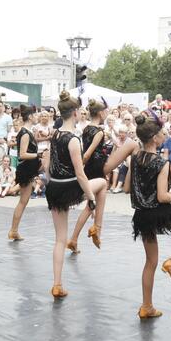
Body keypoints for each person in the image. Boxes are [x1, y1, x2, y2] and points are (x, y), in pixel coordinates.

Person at [104, 111, 171, 318]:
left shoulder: (135, 158)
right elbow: (162, 196)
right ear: (154, 139)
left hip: (141, 215)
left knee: (150, 262)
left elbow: (126, 190)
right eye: (162, 134)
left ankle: (146, 306)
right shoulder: (161, 163)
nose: (165, 136)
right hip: (160, 212)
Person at [44, 90, 107, 299]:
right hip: (71, 187)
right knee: (102, 184)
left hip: (54, 187)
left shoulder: (55, 135)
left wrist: (49, 181)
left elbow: (48, 165)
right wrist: (90, 197)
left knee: (59, 239)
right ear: (75, 113)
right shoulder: (73, 139)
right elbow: (80, 174)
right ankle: (97, 223)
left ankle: (57, 284)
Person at [67, 98, 108, 253]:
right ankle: (94, 230)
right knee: (91, 205)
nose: (106, 113)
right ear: (100, 113)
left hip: (92, 167)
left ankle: (76, 238)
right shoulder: (99, 131)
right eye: (105, 111)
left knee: (91, 205)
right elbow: (87, 154)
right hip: (94, 168)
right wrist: (81, 169)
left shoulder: (86, 129)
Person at [8, 105, 42, 240]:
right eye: (35, 115)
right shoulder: (24, 133)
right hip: (25, 170)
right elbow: (22, 154)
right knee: (23, 201)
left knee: (24, 201)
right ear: (30, 117)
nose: (37, 117)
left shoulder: (27, 131)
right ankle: (13, 230)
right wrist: (37, 155)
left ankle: (14, 230)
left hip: (28, 169)